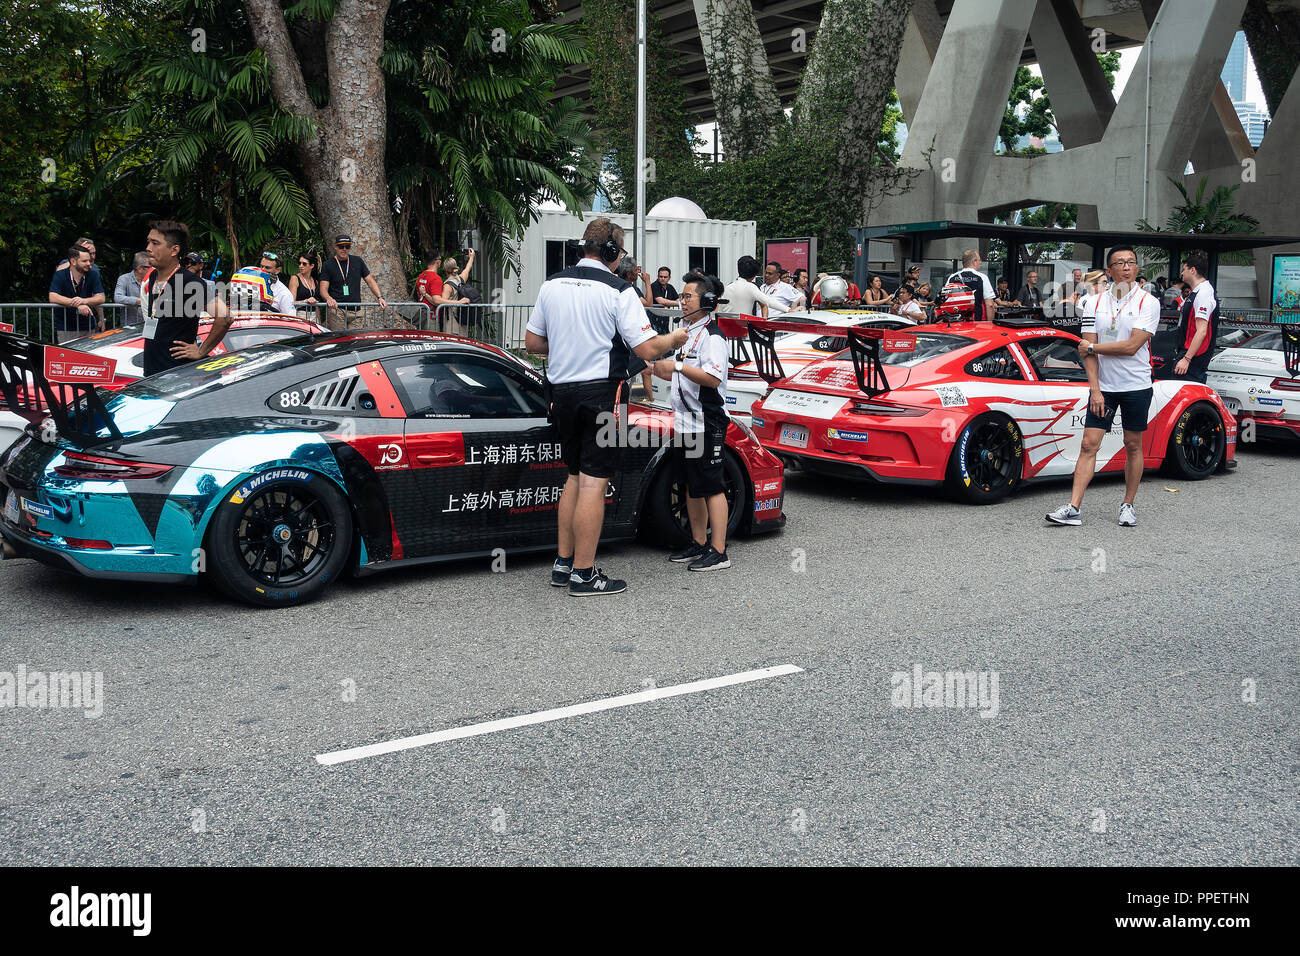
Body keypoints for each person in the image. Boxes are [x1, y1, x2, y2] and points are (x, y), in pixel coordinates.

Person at [524, 218, 688, 596]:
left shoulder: (552, 283)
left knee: (573, 478)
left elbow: (533, 342)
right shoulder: (618, 290)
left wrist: (570, 343)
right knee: (594, 484)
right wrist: (675, 336)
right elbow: (646, 350)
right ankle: (584, 574)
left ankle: (563, 564)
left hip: (561, 393)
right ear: (613, 252)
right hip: (600, 394)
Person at [1045, 245, 1160, 529]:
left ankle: (1128, 505)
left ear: (1136, 269)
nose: (1126, 267)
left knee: (1132, 445)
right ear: (1109, 271)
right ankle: (1073, 508)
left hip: (1136, 384)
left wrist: (1095, 346)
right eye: (1120, 263)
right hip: (1104, 387)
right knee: (1088, 444)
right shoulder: (1092, 303)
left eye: (1131, 262)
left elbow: (1133, 346)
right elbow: (1086, 353)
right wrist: (1095, 390)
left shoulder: (1148, 302)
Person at [648, 272, 732, 572]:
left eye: (687, 297)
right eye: (681, 296)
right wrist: (661, 369)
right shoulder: (687, 331)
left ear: (707, 301)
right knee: (690, 486)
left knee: (711, 486)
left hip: (706, 422)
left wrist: (678, 366)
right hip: (684, 421)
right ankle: (698, 542)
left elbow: (711, 377)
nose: (681, 302)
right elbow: (681, 373)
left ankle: (719, 550)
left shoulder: (713, 336)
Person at [139, 220, 231, 377]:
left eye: (155, 243)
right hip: (153, 373)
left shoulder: (190, 282)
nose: (148, 248)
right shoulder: (154, 275)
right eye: (148, 242)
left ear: (174, 250)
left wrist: (201, 351)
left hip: (176, 375)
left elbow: (225, 317)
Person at [1169, 250, 1218, 383]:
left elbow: (1202, 331)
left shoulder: (1204, 293)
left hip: (1193, 359)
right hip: (1187, 354)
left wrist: (1187, 359)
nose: (1181, 273)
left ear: (1193, 270)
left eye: (1184, 269)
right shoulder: (1196, 292)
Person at [320, 235, 387, 324]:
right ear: (335, 247)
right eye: (341, 246)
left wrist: (380, 297)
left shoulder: (357, 261)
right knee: (339, 337)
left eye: (347, 247)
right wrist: (328, 298)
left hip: (356, 310)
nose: (344, 249)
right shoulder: (328, 265)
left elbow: (370, 281)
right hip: (337, 310)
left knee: (356, 337)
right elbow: (323, 289)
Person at [48, 244, 105, 342]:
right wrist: (77, 304)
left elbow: (101, 297)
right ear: (73, 261)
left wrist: (84, 300)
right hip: (66, 327)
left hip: (88, 326)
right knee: (68, 356)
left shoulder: (93, 274)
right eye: (84, 261)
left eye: (89, 260)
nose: (89, 263)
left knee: (89, 357)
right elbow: (53, 297)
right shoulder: (60, 275)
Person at [722, 255, 787, 317]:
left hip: (725, 324)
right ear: (754, 275)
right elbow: (768, 301)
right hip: (742, 325)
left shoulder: (728, 287)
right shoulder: (750, 287)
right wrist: (788, 310)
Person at [946, 249, 997, 320]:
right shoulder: (982, 277)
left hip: (955, 322)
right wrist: (990, 323)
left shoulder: (952, 277)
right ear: (974, 261)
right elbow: (990, 305)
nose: (980, 262)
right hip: (975, 322)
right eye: (979, 260)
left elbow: (946, 300)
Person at [439, 250, 477, 333]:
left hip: (452, 322)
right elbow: (467, 268)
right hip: (462, 318)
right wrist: (471, 257)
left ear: (444, 269)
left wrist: (425, 294)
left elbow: (442, 302)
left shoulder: (447, 286)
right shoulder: (461, 278)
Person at [113, 252, 151, 326]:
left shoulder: (153, 279)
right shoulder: (124, 279)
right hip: (129, 326)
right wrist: (138, 301)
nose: (153, 269)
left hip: (148, 324)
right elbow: (118, 297)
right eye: (150, 267)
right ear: (140, 269)